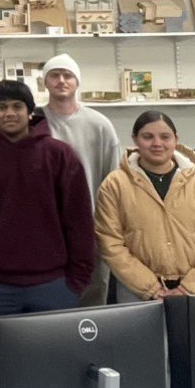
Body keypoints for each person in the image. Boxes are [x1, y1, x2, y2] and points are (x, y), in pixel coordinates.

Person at [0, 80, 95, 319]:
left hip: (54, 287)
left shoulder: (60, 155)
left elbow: (79, 220)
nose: (9, 113)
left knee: (53, 356)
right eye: (1, 107)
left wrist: (77, 281)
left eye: (17, 106)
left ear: (30, 112)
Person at [95, 111, 195, 302]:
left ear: (176, 140)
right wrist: (150, 288)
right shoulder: (114, 186)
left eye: (165, 137)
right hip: (137, 293)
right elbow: (110, 241)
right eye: (147, 137)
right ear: (135, 140)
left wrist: (189, 288)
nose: (157, 143)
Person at [38, 53, 121, 307]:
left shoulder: (100, 125)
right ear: (45, 82)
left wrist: (106, 228)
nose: (61, 80)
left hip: (91, 227)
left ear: (77, 82)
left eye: (68, 75)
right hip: (46, 229)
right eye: (54, 75)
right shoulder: (34, 122)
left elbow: (113, 181)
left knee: (91, 299)